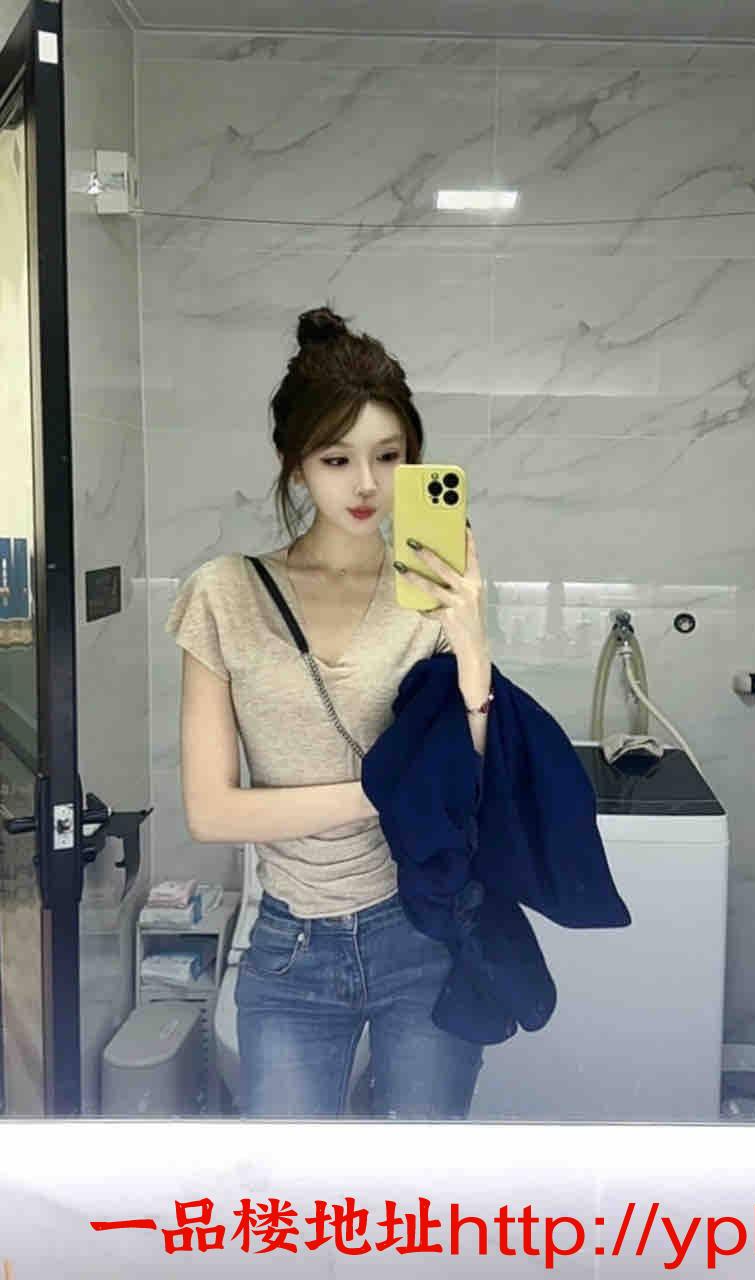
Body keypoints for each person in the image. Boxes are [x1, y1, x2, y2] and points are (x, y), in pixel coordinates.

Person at [165, 305, 493, 1119]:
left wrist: (471, 639)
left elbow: (473, 777)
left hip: (421, 932)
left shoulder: (431, 596)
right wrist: (388, 792)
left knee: (420, 1184)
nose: (367, 484)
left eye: (389, 456)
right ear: (296, 464)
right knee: (292, 1188)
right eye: (337, 458)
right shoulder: (225, 593)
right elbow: (211, 812)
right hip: (291, 948)